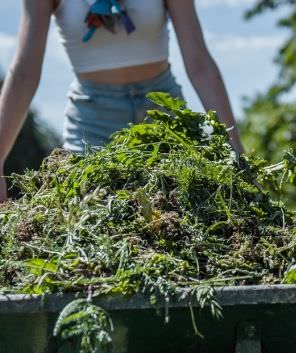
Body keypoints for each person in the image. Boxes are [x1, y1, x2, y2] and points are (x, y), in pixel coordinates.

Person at [0, 0, 244, 202]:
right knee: (90, 218)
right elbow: (24, 73)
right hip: (92, 123)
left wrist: (236, 153)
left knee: (182, 212)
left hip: (164, 117)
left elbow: (200, 64)